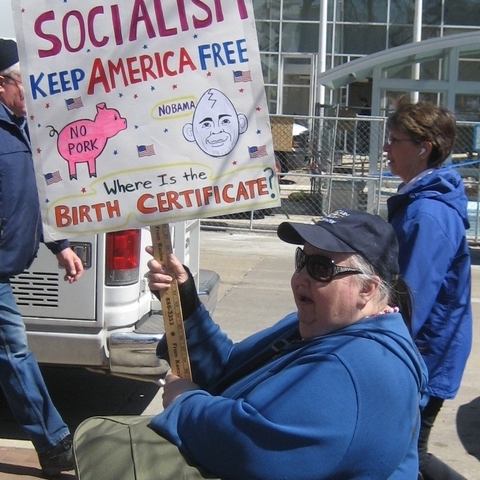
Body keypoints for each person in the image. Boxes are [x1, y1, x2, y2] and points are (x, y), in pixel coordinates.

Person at [73, 209, 428, 480]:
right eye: (302, 260)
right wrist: (184, 303)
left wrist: (184, 403)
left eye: (321, 267)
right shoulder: (318, 327)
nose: (301, 277)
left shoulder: (362, 369)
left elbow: (253, 446)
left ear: (368, 289)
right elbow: (228, 369)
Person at [0, 38, 84, 477]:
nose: (32, 96)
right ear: (1, 84)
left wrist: (60, 245)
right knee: (14, 352)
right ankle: (54, 446)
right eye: (24, 85)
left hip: (4, 267)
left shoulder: (21, 128)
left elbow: (34, 196)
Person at [384, 99, 472, 480]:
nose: (385, 148)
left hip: (426, 354)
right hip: (424, 350)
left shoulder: (428, 214)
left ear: (423, 149)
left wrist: (381, 352)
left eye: (393, 140)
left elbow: (411, 299)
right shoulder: (420, 202)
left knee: (406, 454)